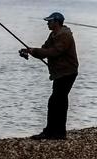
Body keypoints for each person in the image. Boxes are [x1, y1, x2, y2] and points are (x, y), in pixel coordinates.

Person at [19, 11, 78, 141]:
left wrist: (36, 51)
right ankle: (54, 131)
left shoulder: (64, 36)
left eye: (49, 21)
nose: (47, 23)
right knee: (57, 101)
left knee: (56, 101)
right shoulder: (53, 34)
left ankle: (56, 132)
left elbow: (54, 52)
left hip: (67, 72)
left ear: (56, 22)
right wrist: (30, 51)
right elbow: (44, 50)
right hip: (60, 73)